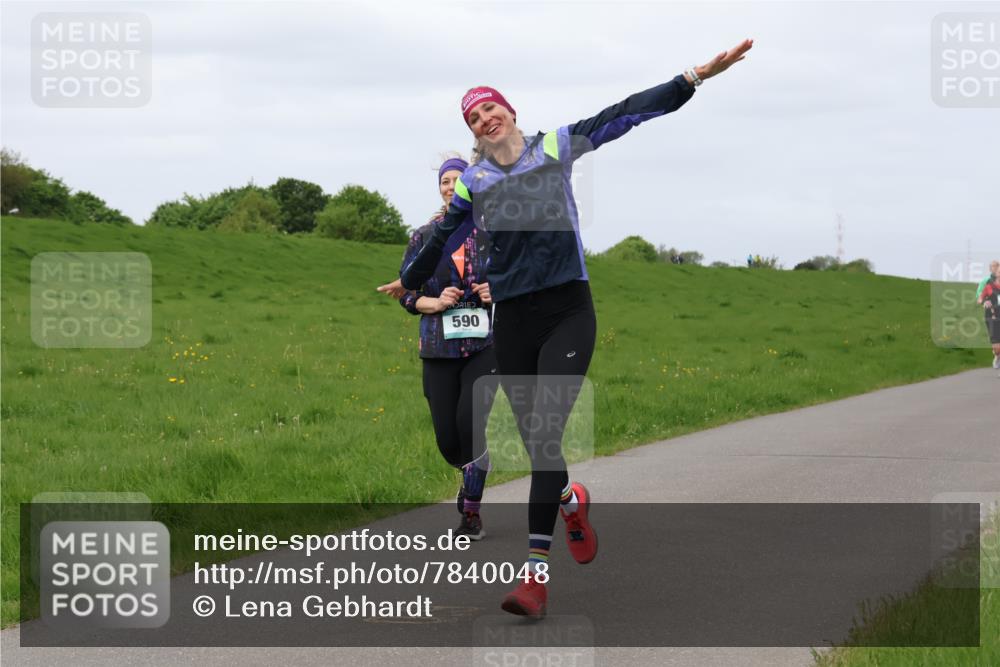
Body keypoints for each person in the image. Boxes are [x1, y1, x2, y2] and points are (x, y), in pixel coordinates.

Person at [385, 38, 754, 618]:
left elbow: (625, 113)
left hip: (566, 311)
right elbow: (439, 238)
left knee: (547, 429)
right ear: (475, 134)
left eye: (490, 107)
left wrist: (693, 77)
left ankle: (534, 579)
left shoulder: (553, 147)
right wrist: (410, 279)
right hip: (513, 320)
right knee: (538, 444)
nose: (485, 117)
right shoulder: (473, 182)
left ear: (509, 112)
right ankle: (568, 499)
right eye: (474, 117)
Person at [378, 156, 497, 541]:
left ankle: (472, 513)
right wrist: (431, 303)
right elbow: (407, 293)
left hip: (484, 347)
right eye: (445, 181)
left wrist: (495, 291)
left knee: (470, 422)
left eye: (457, 180)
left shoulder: (492, 232)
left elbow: (518, 280)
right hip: (437, 348)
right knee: (449, 441)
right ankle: (469, 473)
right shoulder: (423, 236)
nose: (450, 186)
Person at [977, 273, 1000, 373]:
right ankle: (997, 355)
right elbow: (980, 298)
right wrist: (983, 302)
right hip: (992, 317)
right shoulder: (989, 287)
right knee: (997, 348)